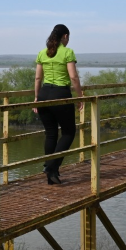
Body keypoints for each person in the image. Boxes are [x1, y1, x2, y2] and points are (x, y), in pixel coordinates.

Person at [33, 24, 84, 185]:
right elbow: (74, 77)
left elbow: (38, 79)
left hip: (43, 96)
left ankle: (52, 175)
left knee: (51, 133)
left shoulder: (43, 53)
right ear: (65, 37)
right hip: (60, 95)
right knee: (69, 132)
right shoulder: (67, 52)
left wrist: (36, 98)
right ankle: (51, 166)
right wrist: (80, 97)